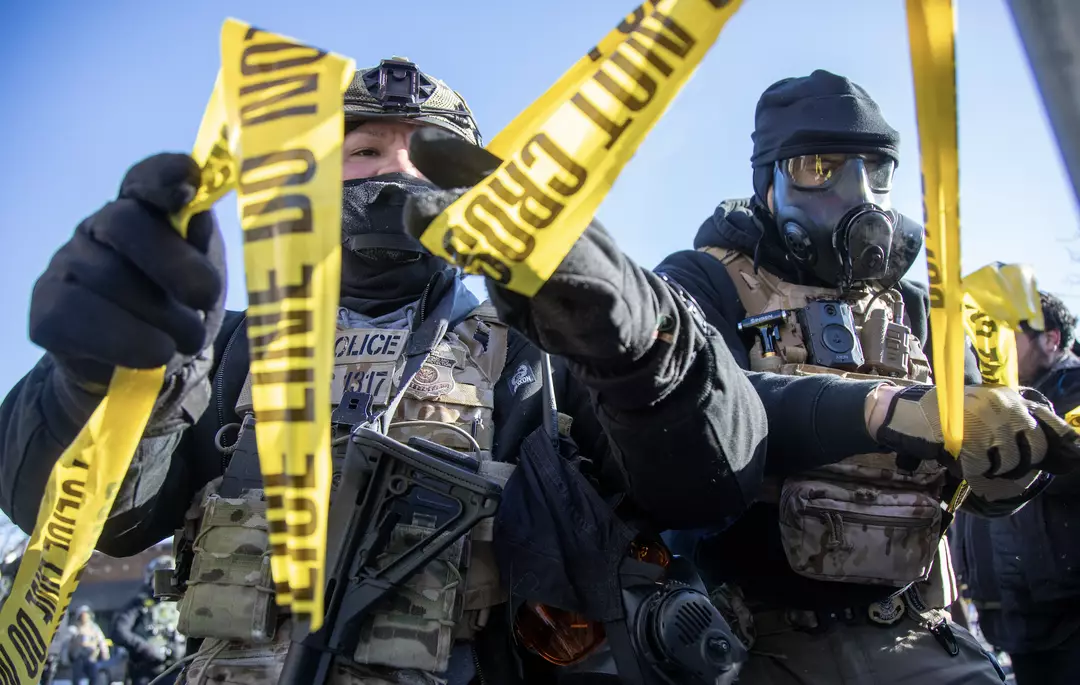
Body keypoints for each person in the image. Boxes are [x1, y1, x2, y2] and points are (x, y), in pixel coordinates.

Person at [0, 58, 770, 685]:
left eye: (423, 155)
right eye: (364, 152)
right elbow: (89, 517)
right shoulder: (234, 349)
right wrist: (92, 382)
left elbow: (708, 487)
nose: (395, 174)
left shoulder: (536, 350)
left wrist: (646, 345)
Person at [639, 70, 1080, 683]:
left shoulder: (923, 307)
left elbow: (976, 490)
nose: (858, 192)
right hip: (749, 636)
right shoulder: (701, 280)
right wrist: (886, 409)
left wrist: (1011, 461)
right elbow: (700, 407)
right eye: (819, 167)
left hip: (913, 629)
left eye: (876, 169)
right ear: (769, 182)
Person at [952, 291, 1080, 685]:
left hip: (1067, 613)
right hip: (1011, 612)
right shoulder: (990, 396)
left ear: (1051, 339)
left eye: (1009, 334)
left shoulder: (1074, 388)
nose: (994, 346)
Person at [111, 556, 185, 685]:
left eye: (171, 578)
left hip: (176, 670)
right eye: (161, 578)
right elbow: (118, 631)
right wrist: (146, 648)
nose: (166, 583)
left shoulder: (183, 604)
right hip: (147, 671)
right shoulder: (140, 604)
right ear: (151, 579)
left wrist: (182, 648)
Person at [68, 605, 109, 685]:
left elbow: (101, 641)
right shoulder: (74, 629)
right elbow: (68, 644)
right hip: (78, 658)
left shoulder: (94, 628)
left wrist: (105, 654)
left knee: (94, 677)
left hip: (91, 657)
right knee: (77, 679)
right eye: (82, 615)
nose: (85, 617)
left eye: (86, 615)